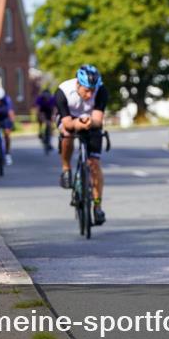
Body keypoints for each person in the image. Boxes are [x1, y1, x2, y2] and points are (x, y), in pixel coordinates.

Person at [55, 65, 108, 226]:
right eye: (86, 90)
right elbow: (67, 123)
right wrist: (77, 124)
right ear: (78, 84)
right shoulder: (63, 91)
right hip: (69, 119)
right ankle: (66, 168)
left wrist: (91, 122)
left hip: (91, 121)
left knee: (94, 164)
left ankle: (97, 206)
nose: (90, 94)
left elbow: (98, 119)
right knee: (67, 134)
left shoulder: (101, 90)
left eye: (93, 90)